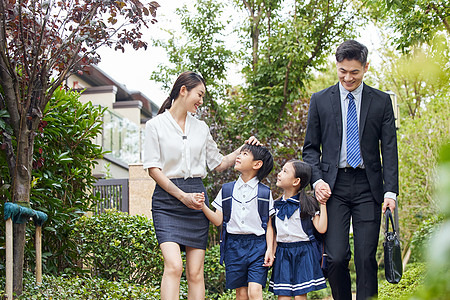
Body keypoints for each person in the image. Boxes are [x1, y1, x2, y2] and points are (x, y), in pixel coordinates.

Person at [143, 71, 260, 300]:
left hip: (196, 200)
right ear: (183, 90)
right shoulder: (155, 125)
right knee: (174, 266)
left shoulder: (201, 128)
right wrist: (181, 196)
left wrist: (243, 148)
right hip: (167, 201)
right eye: (200, 94)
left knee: (195, 273)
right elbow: (153, 169)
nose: (201, 101)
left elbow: (218, 164)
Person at [302, 40, 399, 300]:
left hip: (369, 187)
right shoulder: (320, 100)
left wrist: (391, 192)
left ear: (366, 67)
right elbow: (310, 149)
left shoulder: (381, 102)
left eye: (354, 71)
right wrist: (318, 181)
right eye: (342, 70)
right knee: (334, 258)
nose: (347, 77)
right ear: (337, 66)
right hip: (334, 188)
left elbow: (389, 149)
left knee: (366, 258)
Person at [202, 144, 274, 300]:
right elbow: (217, 220)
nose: (238, 156)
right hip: (233, 245)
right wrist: (202, 206)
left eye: (245, 154)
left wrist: (270, 249)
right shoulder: (227, 189)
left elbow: (268, 225)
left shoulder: (264, 192)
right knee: (241, 294)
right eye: (239, 153)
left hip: (258, 246)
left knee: (254, 291)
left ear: (257, 164)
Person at [269, 159, 327, 300]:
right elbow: (273, 232)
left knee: (300, 296)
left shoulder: (307, 204)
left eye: (285, 171)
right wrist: (271, 251)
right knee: (283, 296)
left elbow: (321, 228)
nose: (279, 174)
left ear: (296, 181)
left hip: (303, 252)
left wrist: (323, 204)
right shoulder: (274, 205)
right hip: (282, 253)